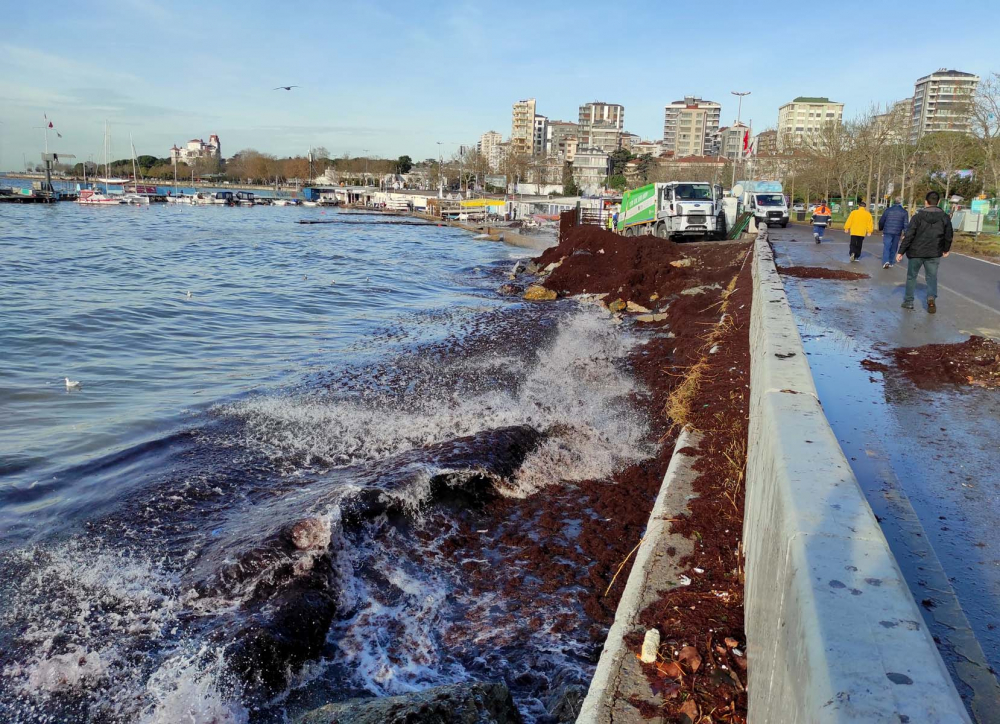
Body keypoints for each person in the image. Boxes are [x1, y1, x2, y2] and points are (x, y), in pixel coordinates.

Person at [897, 191, 953, 314]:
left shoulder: (917, 217)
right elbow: (948, 235)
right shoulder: (945, 217)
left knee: (912, 277)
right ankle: (931, 297)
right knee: (931, 277)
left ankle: (908, 301)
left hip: (916, 252)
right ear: (938, 202)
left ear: (926, 202)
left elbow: (909, 235)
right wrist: (946, 249)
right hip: (934, 252)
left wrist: (901, 251)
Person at [878, 198, 909, 269]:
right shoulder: (904, 212)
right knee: (894, 247)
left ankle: (885, 261)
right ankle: (891, 261)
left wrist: (880, 228)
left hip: (887, 231)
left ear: (893, 203)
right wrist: (905, 233)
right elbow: (906, 224)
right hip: (897, 232)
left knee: (886, 246)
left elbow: (882, 220)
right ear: (901, 203)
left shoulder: (888, 210)